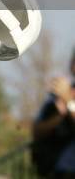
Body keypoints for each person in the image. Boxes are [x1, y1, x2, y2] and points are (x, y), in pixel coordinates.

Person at [33, 49, 75, 178]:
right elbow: (36, 131)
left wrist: (69, 102)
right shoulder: (59, 94)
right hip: (56, 170)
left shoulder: (66, 94)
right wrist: (60, 116)